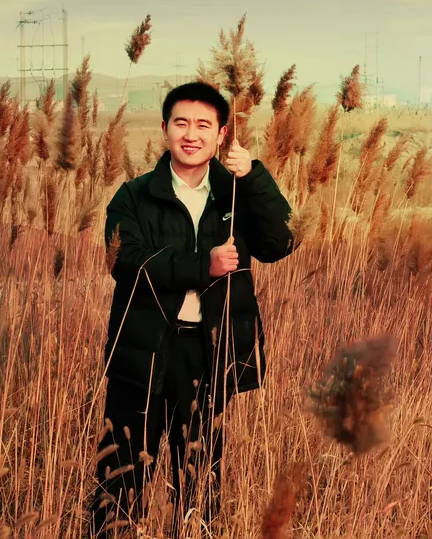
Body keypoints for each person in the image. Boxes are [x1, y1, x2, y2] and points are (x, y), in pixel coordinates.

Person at [88, 81, 294, 537]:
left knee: (200, 482)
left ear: (221, 135)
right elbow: (125, 262)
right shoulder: (134, 196)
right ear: (165, 129)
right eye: (181, 122)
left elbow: (280, 242)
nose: (191, 134)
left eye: (204, 125)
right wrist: (205, 266)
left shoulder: (235, 194)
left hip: (208, 354)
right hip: (143, 352)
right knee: (119, 479)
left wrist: (253, 176)